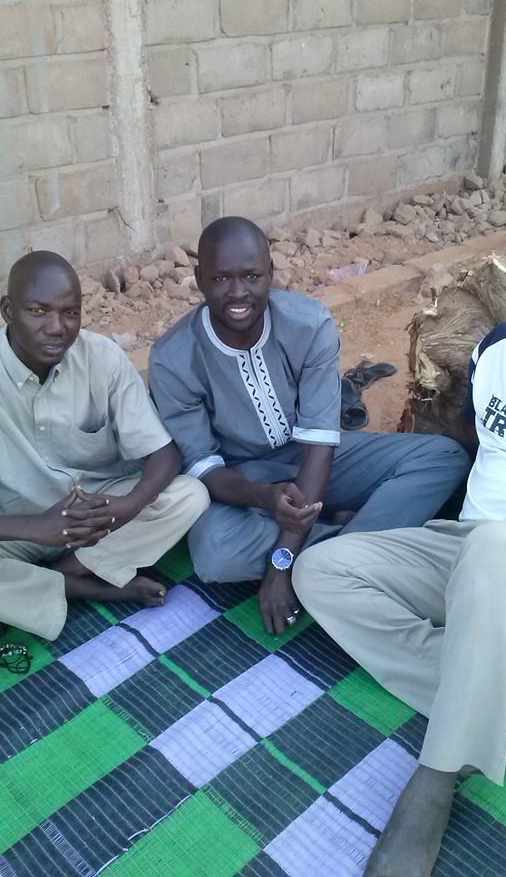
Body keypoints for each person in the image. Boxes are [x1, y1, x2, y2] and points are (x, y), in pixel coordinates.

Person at [293, 241, 506, 876]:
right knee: (321, 570)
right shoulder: (501, 350)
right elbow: (477, 436)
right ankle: (500, 688)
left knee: (498, 542)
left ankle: (434, 784)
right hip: (472, 549)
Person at [149, 216, 469, 634]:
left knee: (444, 457)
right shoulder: (173, 358)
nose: (238, 292)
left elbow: (320, 442)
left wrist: (282, 560)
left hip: (318, 460)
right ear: (199, 280)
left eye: (251, 276)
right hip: (244, 479)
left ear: (271, 273)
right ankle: (355, 545)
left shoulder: (309, 323)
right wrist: (264, 497)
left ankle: (330, 549)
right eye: (221, 278)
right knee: (215, 554)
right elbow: (204, 466)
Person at [0, 251, 209, 644]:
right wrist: (34, 528)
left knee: (190, 495)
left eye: (70, 313)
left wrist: (129, 505)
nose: (56, 327)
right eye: (38, 311)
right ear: (8, 311)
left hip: (97, 517)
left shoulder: (102, 358)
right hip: (10, 531)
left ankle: (55, 577)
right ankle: (86, 588)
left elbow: (163, 454)